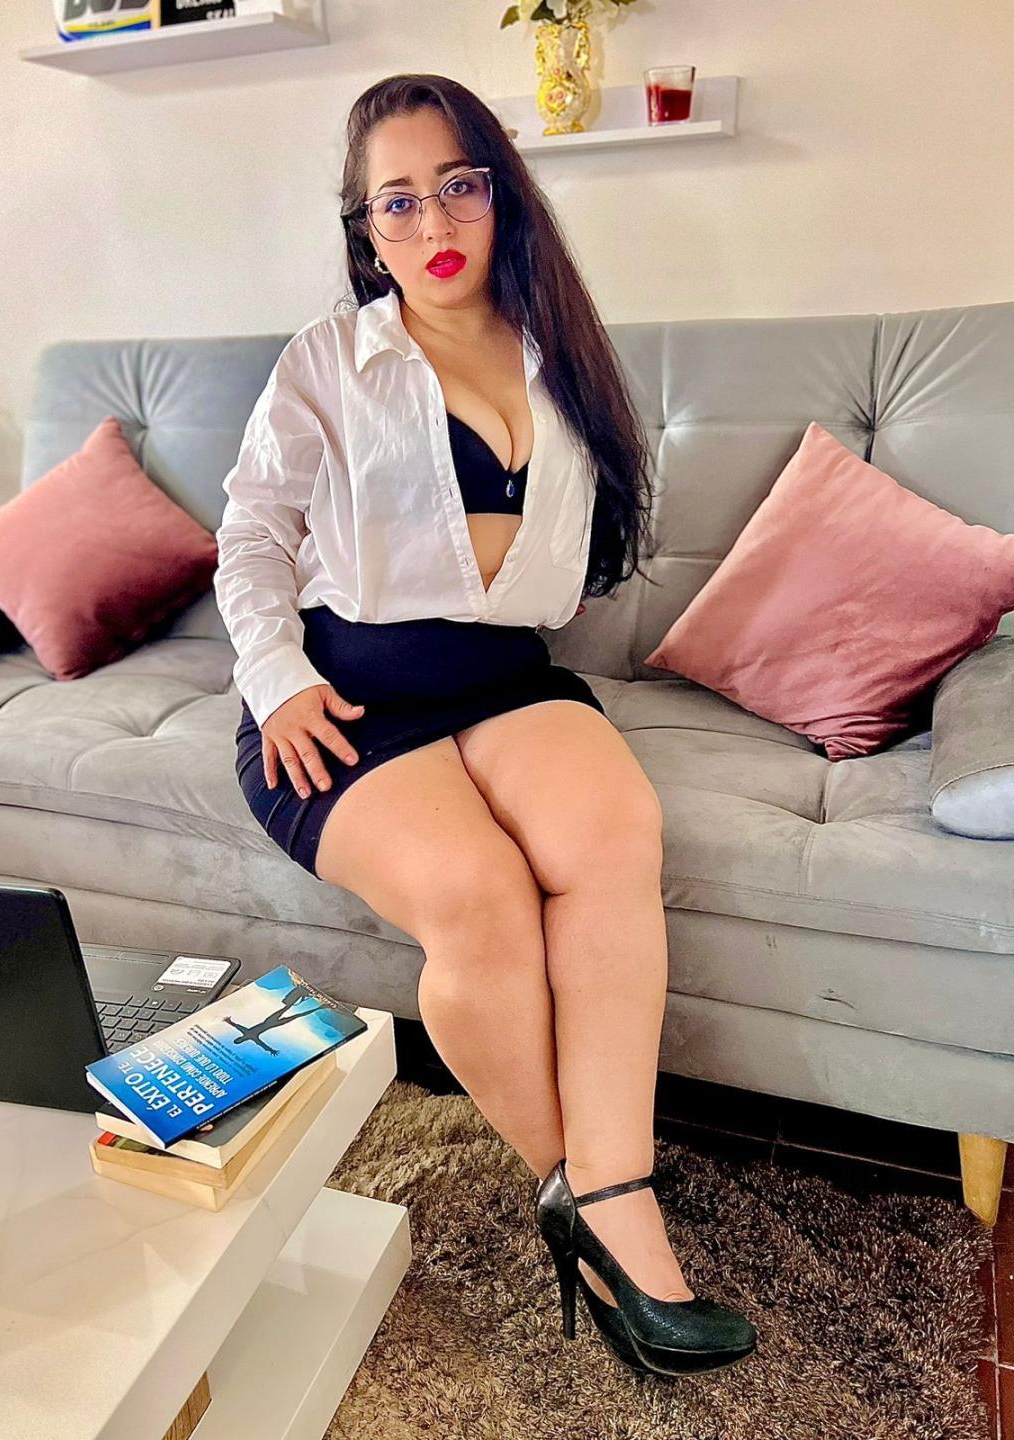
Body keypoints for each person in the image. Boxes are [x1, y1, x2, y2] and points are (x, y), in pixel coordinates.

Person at [214, 73, 757, 1378]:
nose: (433, 222)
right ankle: (595, 1197)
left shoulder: (559, 349)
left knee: (614, 837)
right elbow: (252, 535)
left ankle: (603, 1189)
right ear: (366, 229)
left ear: (502, 193)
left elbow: (586, 549)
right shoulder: (328, 360)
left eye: (458, 184)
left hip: (502, 677)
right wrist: (276, 676)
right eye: (396, 201)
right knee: (481, 897)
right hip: (344, 692)